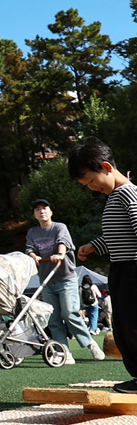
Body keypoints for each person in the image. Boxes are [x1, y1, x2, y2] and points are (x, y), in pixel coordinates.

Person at [72, 140, 137, 390]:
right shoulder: (114, 196)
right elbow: (118, 236)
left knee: (133, 326)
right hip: (121, 269)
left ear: (106, 167)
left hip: (133, 269)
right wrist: (95, 246)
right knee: (122, 328)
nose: (91, 188)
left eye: (91, 181)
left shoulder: (128, 194)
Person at [26, 198, 105, 362]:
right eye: (38, 209)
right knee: (53, 318)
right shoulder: (32, 232)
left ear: (50, 211)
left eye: (45, 208)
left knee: (70, 313)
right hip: (46, 280)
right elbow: (30, 249)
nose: (42, 211)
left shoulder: (59, 227)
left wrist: (60, 254)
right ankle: (63, 352)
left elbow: (63, 242)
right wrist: (34, 257)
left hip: (66, 278)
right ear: (34, 214)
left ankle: (90, 343)